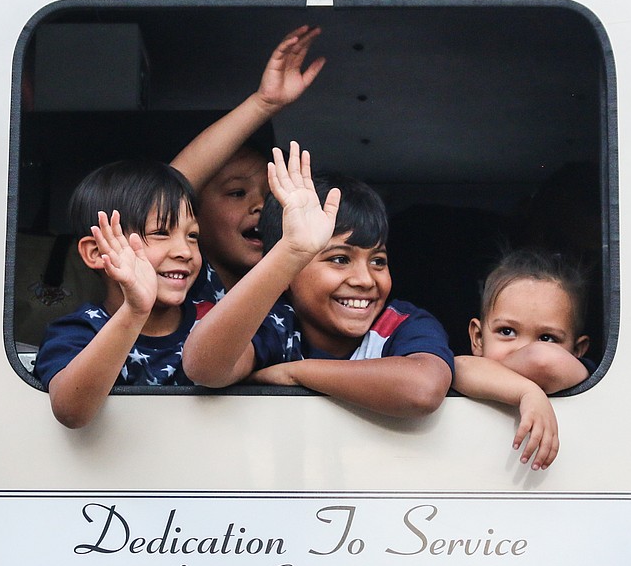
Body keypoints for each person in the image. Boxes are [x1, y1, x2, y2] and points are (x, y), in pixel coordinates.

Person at [182, 142, 454, 418]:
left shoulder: (401, 324)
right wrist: (292, 251)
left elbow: (422, 389)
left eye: (378, 261)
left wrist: (295, 373)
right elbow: (204, 368)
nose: (365, 280)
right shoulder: (278, 327)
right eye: (340, 259)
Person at [33, 160, 202, 428]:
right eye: (160, 233)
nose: (185, 251)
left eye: (193, 235)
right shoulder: (78, 331)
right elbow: (70, 411)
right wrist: (135, 311)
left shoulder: (212, 320)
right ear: (97, 253)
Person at [170, 25, 325, 299]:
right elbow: (166, 194)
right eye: (237, 193)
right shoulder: (180, 282)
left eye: (271, 195)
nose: (261, 206)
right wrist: (263, 104)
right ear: (192, 214)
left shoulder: (295, 295)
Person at [452, 249, 592, 470]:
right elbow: (456, 367)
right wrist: (527, 391)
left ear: (577, 350)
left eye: (547, 338)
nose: (524, 347)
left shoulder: (577, 370)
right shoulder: (466, 366)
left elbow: (542, 360)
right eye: (507, 331)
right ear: (478, 338)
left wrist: (492, 376)